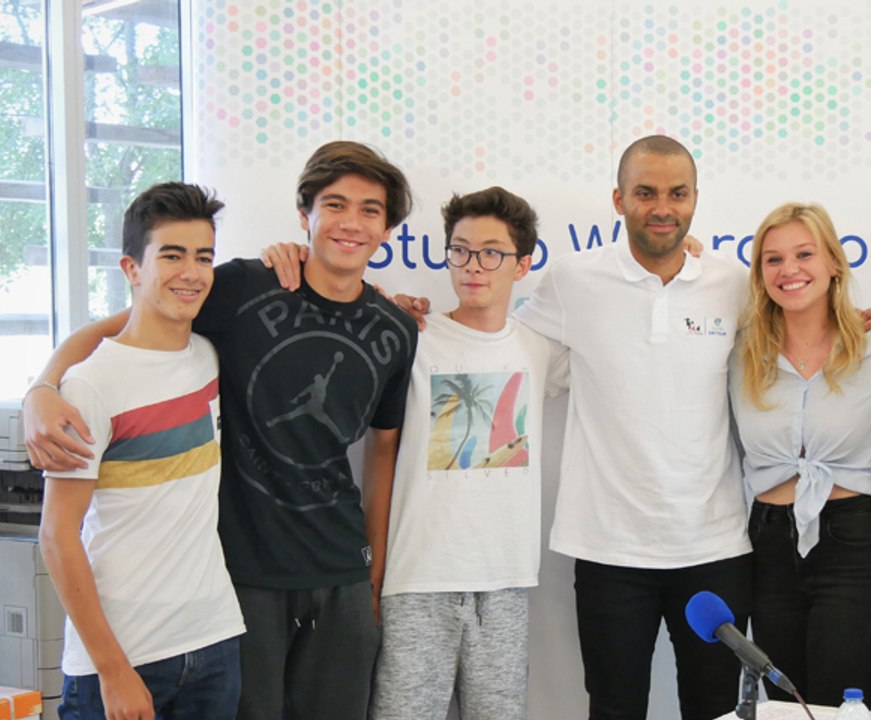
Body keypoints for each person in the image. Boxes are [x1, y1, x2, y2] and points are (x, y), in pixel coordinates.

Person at [24, 142, 420, 720]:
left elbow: (383, 451)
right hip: (241, 579)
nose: (351, 223)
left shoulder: (395, 327)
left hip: (339, 573)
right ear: (304, 213)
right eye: (335, 204)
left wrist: (375, 573)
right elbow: (121, 328)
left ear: (388, 228)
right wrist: (43, 385)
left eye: (370, 210)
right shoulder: (237, 286)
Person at [514, 135, 753, 720]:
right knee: (615, 708)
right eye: (645, 193)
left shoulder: (736, 284)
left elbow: (793, 354)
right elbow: (505, 352)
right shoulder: (573, 279)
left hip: (715, 545)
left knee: (716, 708)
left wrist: (864, 323)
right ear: (618, 199)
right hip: (610, 549)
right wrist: (421, 322)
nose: (662, 208)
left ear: (696, 198)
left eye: (676, 193)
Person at [37, 182, 244, 720]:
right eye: (171, 256)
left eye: (203, 257)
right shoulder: (90, 386)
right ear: (131, 268)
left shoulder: (209, 357)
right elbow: (57, 536)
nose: (192, 272)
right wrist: (112, 670)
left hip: (214, 639)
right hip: (123, 656)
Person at [368, 186, 567, 719]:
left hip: (503, 583)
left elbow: (622, 333)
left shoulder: (538, 347)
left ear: (521, 264)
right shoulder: (412, 336)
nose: (472, 266)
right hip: (416, 581)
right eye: (460, 250)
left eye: (491, 253)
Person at [728, 202, 871, 707]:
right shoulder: (743, 352)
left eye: (804, 254)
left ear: (834, 263)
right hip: (767, 543)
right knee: (786, 707)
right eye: (773, 259)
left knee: (839, 705)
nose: (790, 270)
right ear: (760, 274)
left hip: (852, 541)